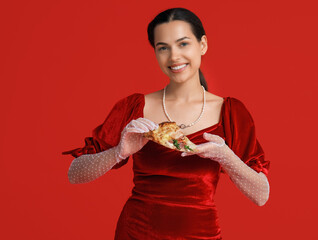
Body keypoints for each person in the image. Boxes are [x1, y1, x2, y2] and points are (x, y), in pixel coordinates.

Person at [62, 7, 271, 240]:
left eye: (183, 44)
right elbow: (75, 174)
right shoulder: (134, 106)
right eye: (163, 48)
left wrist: (226, 156)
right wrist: (119, 152)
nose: (174, 57)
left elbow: (261, 195)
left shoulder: (230, 112)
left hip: (201, 234)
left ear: (202, 45)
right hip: (136, 232)